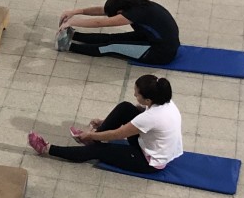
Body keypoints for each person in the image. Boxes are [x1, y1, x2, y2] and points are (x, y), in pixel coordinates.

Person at [27, 73, 183, 174]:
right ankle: (92, 139)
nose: (134, 94)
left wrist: (92, 134)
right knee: (125, 107)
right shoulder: (164, 101)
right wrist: (103, 123)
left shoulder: (151, 117)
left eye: (137, 94)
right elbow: (139, 113)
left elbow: (116, 135)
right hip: (151, 143)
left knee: (98, 150)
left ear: (148, 99)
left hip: (149, 162)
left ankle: (47, 149)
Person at [56, 0, 180, 64]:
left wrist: (73, 21)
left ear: (119, 12)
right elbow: (103, 10)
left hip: (161, 53)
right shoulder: (131, 4)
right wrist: (76, 12)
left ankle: (68, 46)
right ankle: (74, 35)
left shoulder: (133, 14)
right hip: (152, 37)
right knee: (113, 37)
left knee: (112, 46)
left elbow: (100, 22)